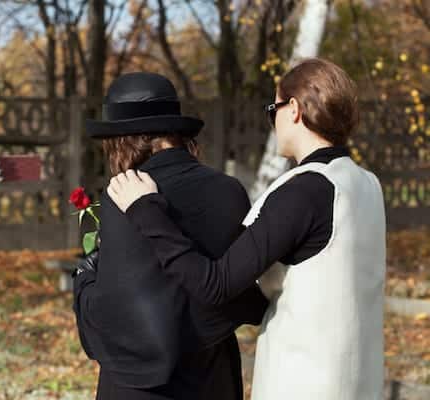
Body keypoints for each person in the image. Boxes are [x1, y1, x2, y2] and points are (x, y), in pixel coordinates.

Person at [107, 59, 386, 400]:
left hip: (306, 379)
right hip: (360, 377)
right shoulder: (367, 184)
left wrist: (146, 211)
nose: (273, 122)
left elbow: (215, 285)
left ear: (294, 109)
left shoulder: (304, 191)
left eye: (274, 109)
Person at [72, 72, 269, 400]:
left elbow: (115, 316)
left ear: (125, 139)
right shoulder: (229, 190)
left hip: (143, 385)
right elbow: (236, 290)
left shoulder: (124, 194)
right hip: (212, 377)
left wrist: (84, 279)